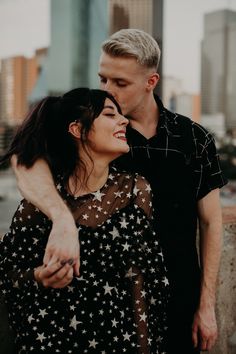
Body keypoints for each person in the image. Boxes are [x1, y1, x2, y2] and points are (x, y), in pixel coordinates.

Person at [11, 29, 227, 353]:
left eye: (120, 83)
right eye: (103, 79)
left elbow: (211, 222)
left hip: (180, 298)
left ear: (151, 82)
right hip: (110, 313)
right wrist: (62, 220)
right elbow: (24, 158)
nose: (107, 90)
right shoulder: (92, 129)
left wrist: (206, 305)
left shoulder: (195, 140)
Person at [0, 88, 169, 353]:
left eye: (122, 116)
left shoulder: (135, 190)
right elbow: (8, 273)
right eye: (110, 114)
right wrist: (40, 276)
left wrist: (146, 347)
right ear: (77, 130)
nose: (124, 121)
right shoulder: (42, 199)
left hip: (118, 345)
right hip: (52, 343)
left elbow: (145, 282)